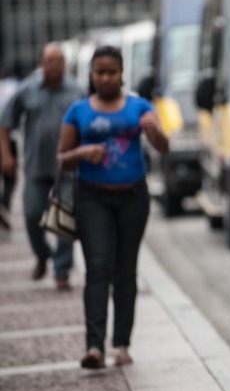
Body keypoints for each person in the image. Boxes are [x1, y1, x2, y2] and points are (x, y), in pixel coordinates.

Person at [57, 45, 168, 369]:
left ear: (122, 74)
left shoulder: (141, 107)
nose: (106, 78)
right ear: (91, 75)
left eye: (112, 72)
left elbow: (164, 147)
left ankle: (121, 344)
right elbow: (61, 159)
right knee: (98, 269)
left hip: (133, 198)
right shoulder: (77, 111)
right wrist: (80, 154)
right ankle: (94, 347)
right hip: (93, 199)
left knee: (125, 271)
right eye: (99, 72)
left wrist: (155, 133)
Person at [0, 44, 83, 287]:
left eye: (60, 61)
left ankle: (61, 270)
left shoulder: (76, 90)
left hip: (67, 167)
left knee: (65, 217)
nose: (55, 66)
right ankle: (43, 254)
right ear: (41, 63)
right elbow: (5, 124)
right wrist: (5, 156)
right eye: (50, 61)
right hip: (36, 166)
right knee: (32, 214)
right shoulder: (27, 89)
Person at [0, 69, 18, 228]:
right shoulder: (11, 87)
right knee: (10, 178)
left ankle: (3, 204)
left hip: (8, 138)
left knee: (10, 177)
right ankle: (3, 204)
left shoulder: (11, 87)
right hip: (8, 138)